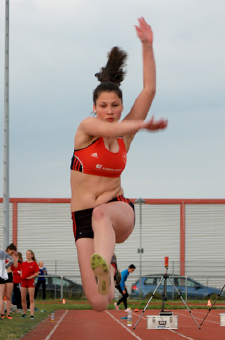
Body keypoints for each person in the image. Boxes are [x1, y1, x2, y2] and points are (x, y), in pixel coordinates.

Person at [70, 17, 168, 312]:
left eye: (115, 106)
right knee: (99, 303)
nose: (110, 112)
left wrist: (147, 44)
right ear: (95, 107)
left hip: (117, 208)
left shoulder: (125, 133)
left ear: (121, 106)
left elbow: (148, 90)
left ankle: (104, 264)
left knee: (102, 213)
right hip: (82, 218)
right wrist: (141, 124)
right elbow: (108, 130)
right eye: (103, 106)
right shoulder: (86, 128)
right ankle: (108, 280)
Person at [20, 250, 39, 319]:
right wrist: (22, 276)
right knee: (23, 299)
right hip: (24, 282)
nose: (28, 255)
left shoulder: (34, 264)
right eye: (27, 254)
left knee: (31, 299)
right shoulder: (23, 263)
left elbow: (37, 273)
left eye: (29, 254)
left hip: (30, 281)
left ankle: (31, 315)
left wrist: (31, 277)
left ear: (32, 255)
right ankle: (24, 313)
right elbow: (21, 271)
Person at [1, 243, 17, 320]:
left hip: (9, 275)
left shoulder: (11, 257)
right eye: (12, 252)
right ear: (8, 249)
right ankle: (2, 313)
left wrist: (15, 257)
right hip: (3, 275)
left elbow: (16, 265)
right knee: (2, 296)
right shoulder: (3, 255)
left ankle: (8, 313)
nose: (12, 253)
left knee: (8, 296)